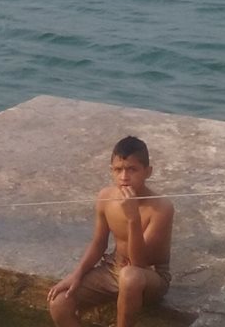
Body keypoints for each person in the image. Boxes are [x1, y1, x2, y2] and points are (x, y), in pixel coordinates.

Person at [48, 136, 174, 327]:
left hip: (148, 276)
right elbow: (99, 243)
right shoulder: (106, 197)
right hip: (113, 269)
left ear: (148, 172)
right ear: (111, 171)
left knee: (130, 276)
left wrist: (133, 218)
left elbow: (139, 263)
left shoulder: (161, 208)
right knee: (59, 302)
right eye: (118, 170)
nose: (124, 177)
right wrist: (77, 274)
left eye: (132, 169)